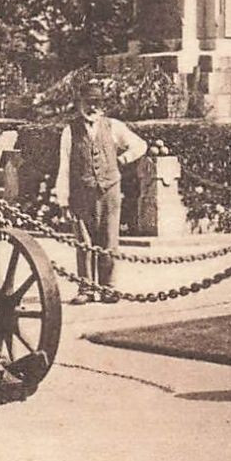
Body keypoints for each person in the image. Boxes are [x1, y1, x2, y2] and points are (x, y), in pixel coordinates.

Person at [53, 81, 148, 304]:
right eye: (88, 103)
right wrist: (63, 200)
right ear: (79, 104)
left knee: (109, 240)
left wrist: (122, 159)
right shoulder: (69, 131)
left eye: (96, 103)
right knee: (83, 242)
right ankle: (86, 289)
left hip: (109, 191)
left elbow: (140, 145)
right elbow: (64, 167)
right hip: (81, 194)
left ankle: (108, 287)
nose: (92, 108)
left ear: (102, 106)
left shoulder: (113, 126)